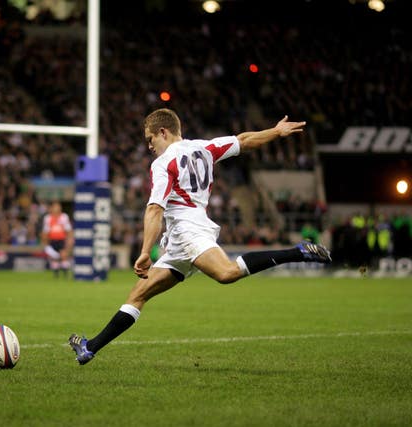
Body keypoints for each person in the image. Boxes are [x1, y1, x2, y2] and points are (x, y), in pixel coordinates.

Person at [68, 108, 332, 365]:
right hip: (180, 239)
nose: (149, 146)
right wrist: (275, 132)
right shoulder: (205, 147)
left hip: (188, 231)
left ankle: (297, 252)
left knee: (226, 273)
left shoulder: (163, 163)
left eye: (150, 139)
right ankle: (89, 348)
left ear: (163, 132)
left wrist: (146, 250)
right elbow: (244, 140)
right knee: (138, 294)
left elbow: (154, 208)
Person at [41, 201, 73, 277]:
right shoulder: (48, 218)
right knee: (54, 257)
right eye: (55, 206)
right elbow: (45, 231)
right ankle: (56, 274)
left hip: (61, 240)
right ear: (52, 208)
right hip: (52, 240)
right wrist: (45, 242)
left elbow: (68, 230)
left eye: (58, 206)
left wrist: (70, 240)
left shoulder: (64, 217)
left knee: (63, 255)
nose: (57, 208)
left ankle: (65, 273)